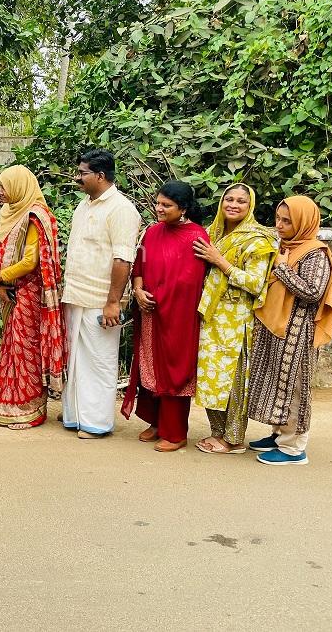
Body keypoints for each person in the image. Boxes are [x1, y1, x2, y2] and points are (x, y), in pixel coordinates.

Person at [247, 196, 332, 466]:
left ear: (303, 223)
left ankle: (294, 448)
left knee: (295, 386)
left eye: (288, 221)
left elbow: (313, 291)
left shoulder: (315, 252)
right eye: (278, 219)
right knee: (278, 383)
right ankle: (279, 435)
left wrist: (283, 269)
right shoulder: (286, 246)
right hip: (278, 328)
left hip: (298, 331)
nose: (280, 225)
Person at [121, 181, 209, 452]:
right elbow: (139, 265)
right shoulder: (152, 232)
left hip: (178, 316)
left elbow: (190, 281)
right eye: (158, 203)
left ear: (182, 208)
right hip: (150, 312)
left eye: (166, 205)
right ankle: (156, 422)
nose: (159, 208)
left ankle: (175, 432)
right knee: (150, 364)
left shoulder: (197, 236)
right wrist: (138, 290)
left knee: (173, 367)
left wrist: (158, 297)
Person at [60, 150, 141, 439]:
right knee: (75, 361)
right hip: (76, 296)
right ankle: (74, 415)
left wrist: (113, 302)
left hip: (100, 301)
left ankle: (96, 422)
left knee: (99, 361)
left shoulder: (121, 209)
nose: (77, 177)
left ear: (101, 176)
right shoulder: (84, 205)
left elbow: (123, 259)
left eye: (82, 173)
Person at [193, 184, 277, 454]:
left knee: (234, 381)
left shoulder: (258, 240)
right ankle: (217, 432)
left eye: (241, 201)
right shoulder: (213, 233)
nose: (234, 204)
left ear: (250, 205)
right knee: (211, 377)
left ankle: (234, 439)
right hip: (212, 315)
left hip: (238, 320)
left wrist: (221, 262)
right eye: (229, 199)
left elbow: (255, 283)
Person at [0, 166, 67, 429]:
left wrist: (0, 277)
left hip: (31, 292)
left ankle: (31, 410)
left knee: (25, 347)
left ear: (18, 186)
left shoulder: (35, 215)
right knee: (10, 346)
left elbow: (31, 261)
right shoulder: (7, 213)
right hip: (9, 290)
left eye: (3, 186)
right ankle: (8, 404)